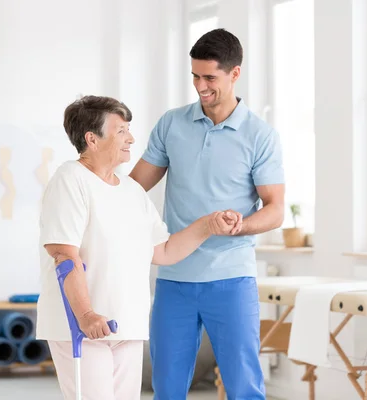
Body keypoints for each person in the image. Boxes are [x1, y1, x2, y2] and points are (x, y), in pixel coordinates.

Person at [36, 95, 243, 400]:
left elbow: (163, 251)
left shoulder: (131, 191)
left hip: (127, 325)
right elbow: (64, 254)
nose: (131, 138)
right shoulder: (71, 179)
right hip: (84, 326)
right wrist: (87, 314)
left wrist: (208, 225)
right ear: (92, 139)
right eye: (121, 131)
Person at [129, 28, 285, 399]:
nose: (201, 86)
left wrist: (241, 226)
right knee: (166, 386)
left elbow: (275, 209)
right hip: (175, 277)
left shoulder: (259, 135)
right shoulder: (172, 124)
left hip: (231, 277)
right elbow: (133, 189)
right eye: (195, 76)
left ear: (235, 73)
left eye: (210, 77)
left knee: (243, 385)